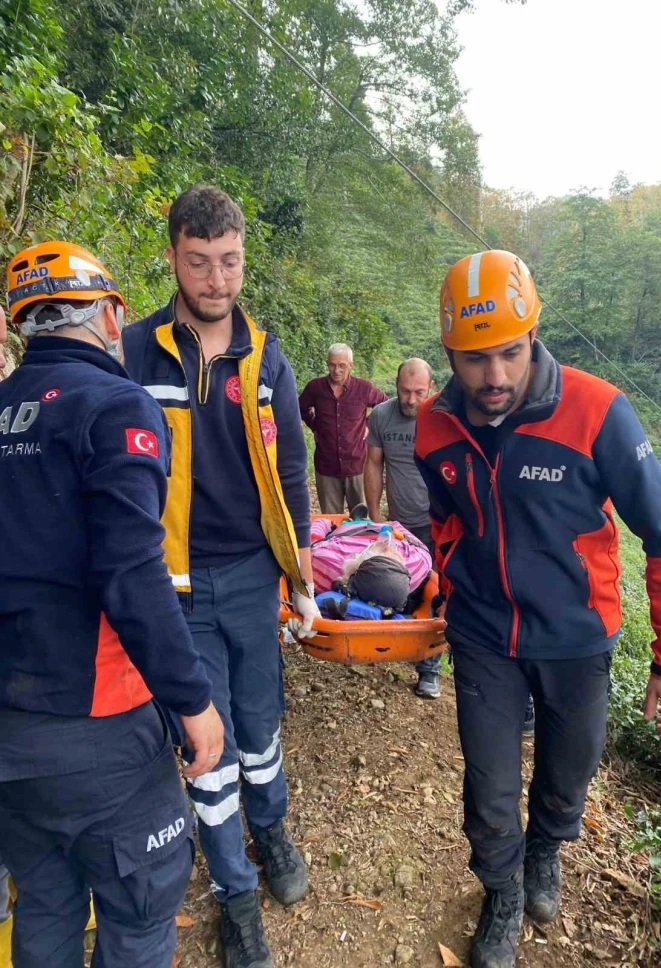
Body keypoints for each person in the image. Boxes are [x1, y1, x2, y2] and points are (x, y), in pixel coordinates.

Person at [414, 250, 661, 968]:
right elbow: (444, 520)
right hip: (484, 635)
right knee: (487, 787)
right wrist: (451, 580)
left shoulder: (597, 411)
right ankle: (502, 891)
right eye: (475, 359)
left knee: (567, 773)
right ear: (448, 350)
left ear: (535, 335)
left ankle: (547, 850)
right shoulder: (434, 427)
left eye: (510, 353)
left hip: (577, 636)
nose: (496, 378)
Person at [0, 243, 224, 968]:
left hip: (10, 734)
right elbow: (132, 570)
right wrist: (193, 701)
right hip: (99, 730)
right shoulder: (114, 405)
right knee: (139, 914)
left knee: (44, 905)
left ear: (20, 329)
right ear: (111, 316)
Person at [122, 185, 319, 968]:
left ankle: (269, 827)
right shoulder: (135, 350)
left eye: (230, 262)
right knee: (209, 743)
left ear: (244, 258)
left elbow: (294, 469)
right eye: (200, 263)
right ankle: (235, 893)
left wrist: (299, 572)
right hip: (171, 583)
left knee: (262, 724)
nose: (216, 280)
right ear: (172, 256)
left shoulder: (266, 355)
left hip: (251, 573)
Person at [363, 358, 446, 698]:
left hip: (441, 524)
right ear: (395, 385)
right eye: (405, 391)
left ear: (432, 388)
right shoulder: (382, 415)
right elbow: (373, 464)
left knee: (437, 591)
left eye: (419, 392)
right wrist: (373, 515)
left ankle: (431, 668)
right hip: (400, 525)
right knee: (407, 589)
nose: (411, 400)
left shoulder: (443, 417)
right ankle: (400, 646)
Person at [299, 343, 386, 514]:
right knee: (330, 521)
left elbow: (384, 405)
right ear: (327, 364)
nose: (336, 370)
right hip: (326, 465)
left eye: (342, 365)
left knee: (361, 520)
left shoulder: (364, 388)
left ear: (350, 366)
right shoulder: (315, 388)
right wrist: (315, 426)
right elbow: (300, 407)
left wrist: (368, 425)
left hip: (357, 465)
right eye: (332, 364)